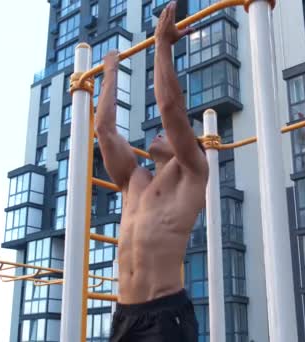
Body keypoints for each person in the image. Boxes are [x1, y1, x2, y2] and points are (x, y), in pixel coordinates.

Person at [94, 1, 208, 341]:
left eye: (168, 133)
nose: (160, 131)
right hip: (124, 314)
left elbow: (170, 107)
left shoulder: (192, 170)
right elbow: (104, 130)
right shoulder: (135, 178)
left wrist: (163, 44)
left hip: (165, 314)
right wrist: (111, 72)